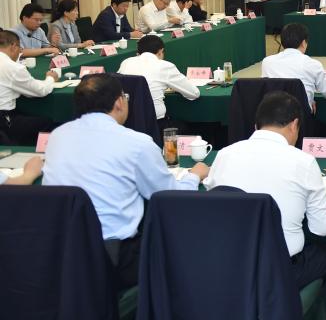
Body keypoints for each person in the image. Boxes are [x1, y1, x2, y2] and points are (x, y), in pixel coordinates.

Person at [42, 73, 208, 289]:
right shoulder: (137, 143)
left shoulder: (58, 136)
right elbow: (168, 196)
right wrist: (194, 175)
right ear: (119, 102)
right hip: (113, 257)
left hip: (60, 252)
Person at [206, 91, 326, 315]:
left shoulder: (224, 155)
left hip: (228, 268)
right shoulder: (303, 161)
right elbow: (322, 229)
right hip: (280, 270)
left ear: (256, 125)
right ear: (294, 125)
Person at [262, 23, 326, 108]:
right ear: (303, 43)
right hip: (300, 113)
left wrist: (310, 99)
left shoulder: (267, 62)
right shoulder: (312, 64)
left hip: (272, 112)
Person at [116, 35, 199, 122]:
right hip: (155, 121)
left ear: (138, 52)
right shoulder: (165, 66)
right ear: (160, 51)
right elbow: (194, 93)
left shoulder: (126, 62)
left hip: (127, 119)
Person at [0, 29, 57, 145]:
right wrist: (50, 78)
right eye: (20, 49)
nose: (19, 53)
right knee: (48, 122)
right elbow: (40, 91)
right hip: (4, 120)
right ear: (13, 46)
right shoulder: (12, 67)